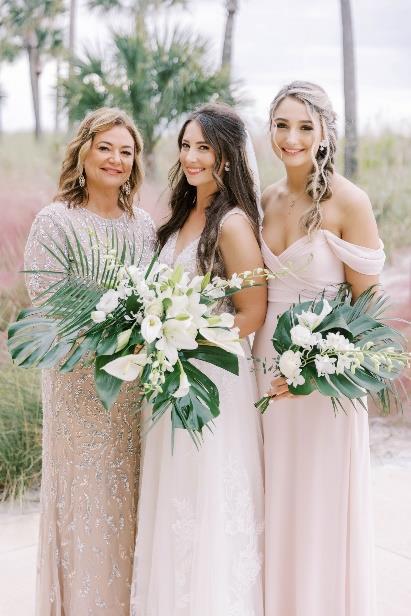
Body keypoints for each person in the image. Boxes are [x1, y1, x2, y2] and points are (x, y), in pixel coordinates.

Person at [253, 81, 386, 616]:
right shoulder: (263, 200)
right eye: (282, 125)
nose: (292, 137)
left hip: (326, 383)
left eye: (305, 126)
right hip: (265, 373)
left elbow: (369, 312)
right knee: (273, 501)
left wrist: (317, 368)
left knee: (318, 507)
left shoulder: (349, 202)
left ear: (326, 131)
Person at [130, 103, 266, 616]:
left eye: (203, 147)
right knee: (173, 495)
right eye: (186, 146)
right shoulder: (182, 215)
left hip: (210, 379)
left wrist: (189, 339)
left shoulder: (232, 224)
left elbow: (252, 312)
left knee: (207, 495)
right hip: (169, 375)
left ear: (227, 157)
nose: (191, 157)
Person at [24, 107, 157, 615]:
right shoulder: (55, 220)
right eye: (105, 147)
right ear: (83, 150)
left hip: (131, 395)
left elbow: (154, 299)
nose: (116, 159)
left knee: (129, 503)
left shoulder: (142, 225)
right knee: (84, 503)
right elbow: (47, 304)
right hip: (77, 391)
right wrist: (108, 340)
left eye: (126, 152)